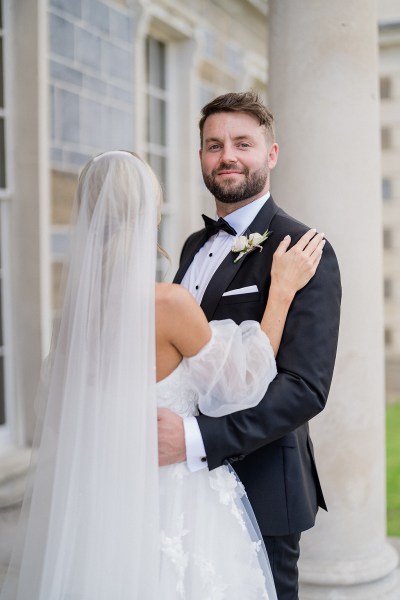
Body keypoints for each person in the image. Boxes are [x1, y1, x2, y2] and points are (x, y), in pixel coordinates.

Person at [0, 150, 324, 600]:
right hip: (179, 502)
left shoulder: (72, 319)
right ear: (148, 215)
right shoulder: (167, 304)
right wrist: (282, 292)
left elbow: (60, 415)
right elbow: (244, 382)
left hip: (102, 502)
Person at [158, 91, 342, 600]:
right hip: (181, 490)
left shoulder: (303, 250)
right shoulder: (194, 246)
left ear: (271, 154)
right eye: (214, 145)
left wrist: (195, 440)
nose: (228, 156)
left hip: (260, 484)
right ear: (200, 157)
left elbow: (304, 388)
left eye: (243, 143)